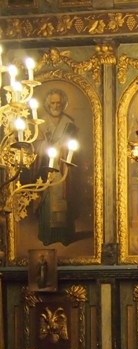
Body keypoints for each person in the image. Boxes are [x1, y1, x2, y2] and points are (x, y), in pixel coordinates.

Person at [36, 88, 80, 246]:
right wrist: (45, 145)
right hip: (46, 166)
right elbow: (37, 145)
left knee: (63, 200)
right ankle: (48, 235)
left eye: (58, 103)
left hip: (62, 167)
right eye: (52, 103)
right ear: (48, 104)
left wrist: (63, 148)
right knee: (47, 201)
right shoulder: (40, 123)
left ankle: (63, 235)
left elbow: (74, 147)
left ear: (63, 104)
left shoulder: (69, 124)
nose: (55, 106)